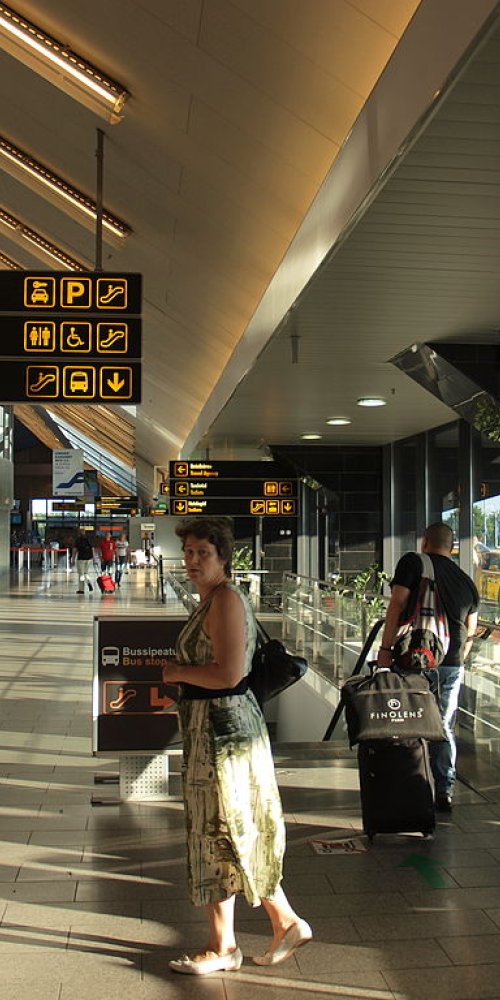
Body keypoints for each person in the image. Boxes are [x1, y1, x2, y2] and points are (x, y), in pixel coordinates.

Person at [162, 517, 312, 975]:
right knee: (223, 831)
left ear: (223, 557)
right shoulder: (212, 599)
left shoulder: (225, 601)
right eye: (188, 551)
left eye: (201, 552)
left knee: (222, 830)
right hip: (215, 730)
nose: (191, 560)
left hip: (224, 736)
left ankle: (236, 940)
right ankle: (251, 933)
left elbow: (228, 675)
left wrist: (175, 672)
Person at [377, 522, 479, 812]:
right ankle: (443, 790)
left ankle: (409, 784)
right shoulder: (466, 582)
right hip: (452, 663)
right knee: (443, 726)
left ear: (425, 542)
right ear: (452, 547)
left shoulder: (413, 562)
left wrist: (385, 650)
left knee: (408, 721)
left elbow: (396, 605)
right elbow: (470, 632)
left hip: (416, 659)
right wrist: (456, 659)